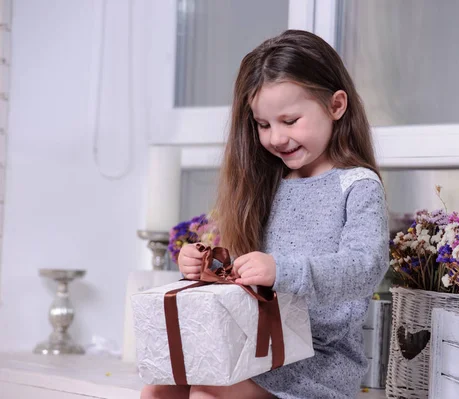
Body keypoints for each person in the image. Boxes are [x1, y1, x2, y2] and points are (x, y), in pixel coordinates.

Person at [141, 29, 388, 399]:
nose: (275, 137)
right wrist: (204, 265)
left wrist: (282, 271)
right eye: (263, 125)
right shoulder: (267, 183)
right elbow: (244, 275)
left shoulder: (356, 186)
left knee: (206, 387)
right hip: (258, 348)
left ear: (336, 106)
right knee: (164, 378)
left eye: (289, 121)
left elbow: (364, 267)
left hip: (317, 361)